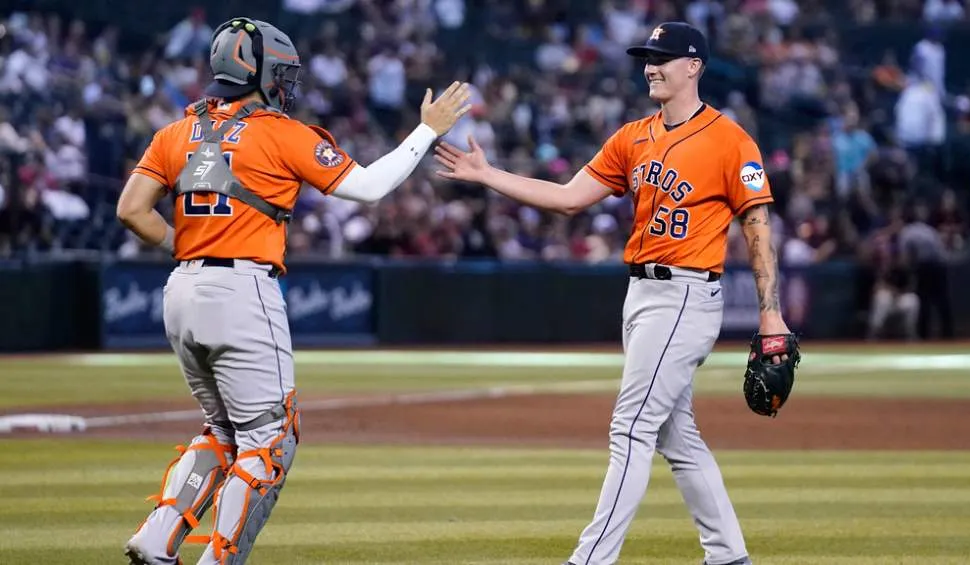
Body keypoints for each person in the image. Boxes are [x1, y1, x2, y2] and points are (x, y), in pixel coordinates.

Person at [436, 22, 795, 565]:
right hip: (641, 297)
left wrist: (771, 316)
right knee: (678, 437)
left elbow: (758, 227)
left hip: (685, 296)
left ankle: (590, 560)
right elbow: (567, 197)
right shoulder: (633, 136)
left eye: (663, 57)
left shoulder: (730, 140)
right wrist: (490, 176)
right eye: (647, 57)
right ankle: (729, 557)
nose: (650, 66)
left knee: (630, 427)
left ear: (693, 66)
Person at [116, 17, 470, 565]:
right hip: (241, 292)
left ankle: (158, 535)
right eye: (280, 72)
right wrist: (426, 130)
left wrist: (188, 244)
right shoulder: (281, 132)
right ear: (256, 72)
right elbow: (370, 188)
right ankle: (220, 558)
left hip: (181, 289)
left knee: (222, 430)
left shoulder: (175, 132)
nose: (286, 83)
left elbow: (131, 210)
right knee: (270, 441)